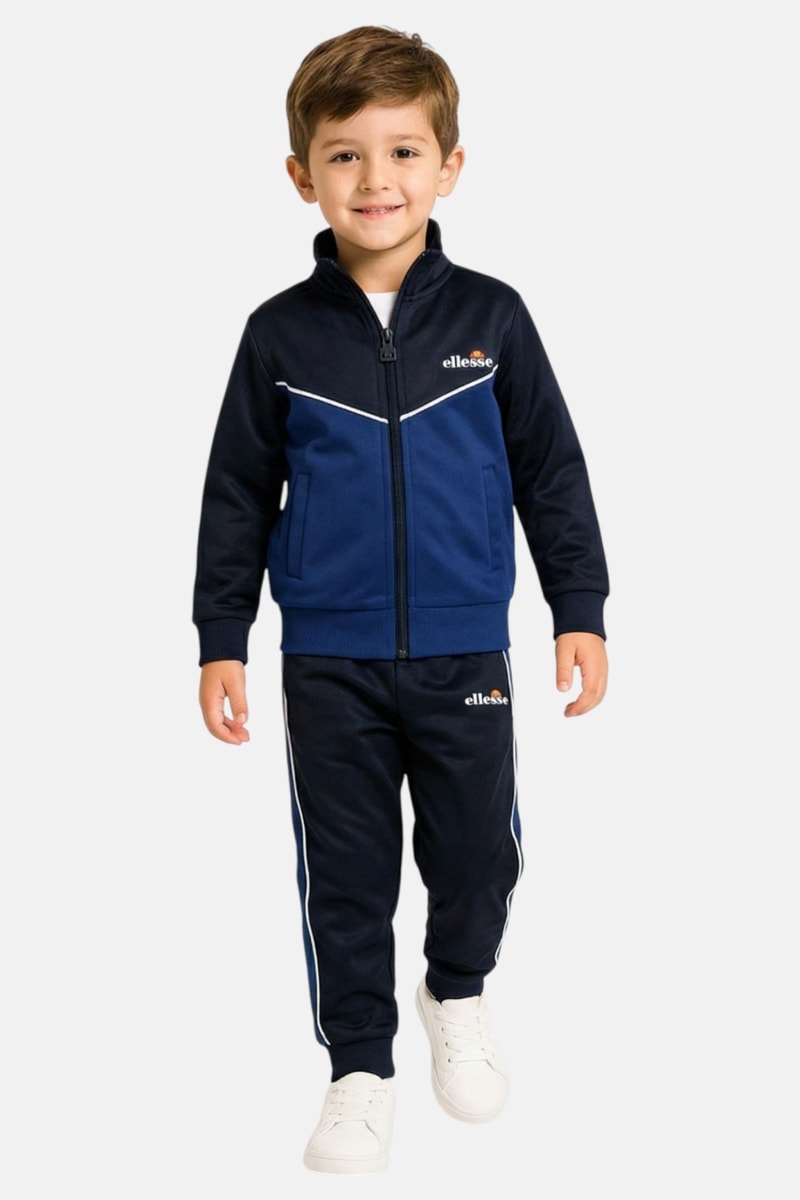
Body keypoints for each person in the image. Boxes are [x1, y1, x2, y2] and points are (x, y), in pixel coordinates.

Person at [192, 24, 609, 1175]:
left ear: (448, 166)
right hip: (327, 660)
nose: (375, 180)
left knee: (478, 857)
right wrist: (220, 636)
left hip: (464, 648)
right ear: (301, 175)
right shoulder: (278, 336)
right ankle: (359, 1068)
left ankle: (454, 989)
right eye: (344, 155)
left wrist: (578, 607)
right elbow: (236, 492)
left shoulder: (492, 320)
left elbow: (550, 472)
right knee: (346, 874)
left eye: (403, 152)